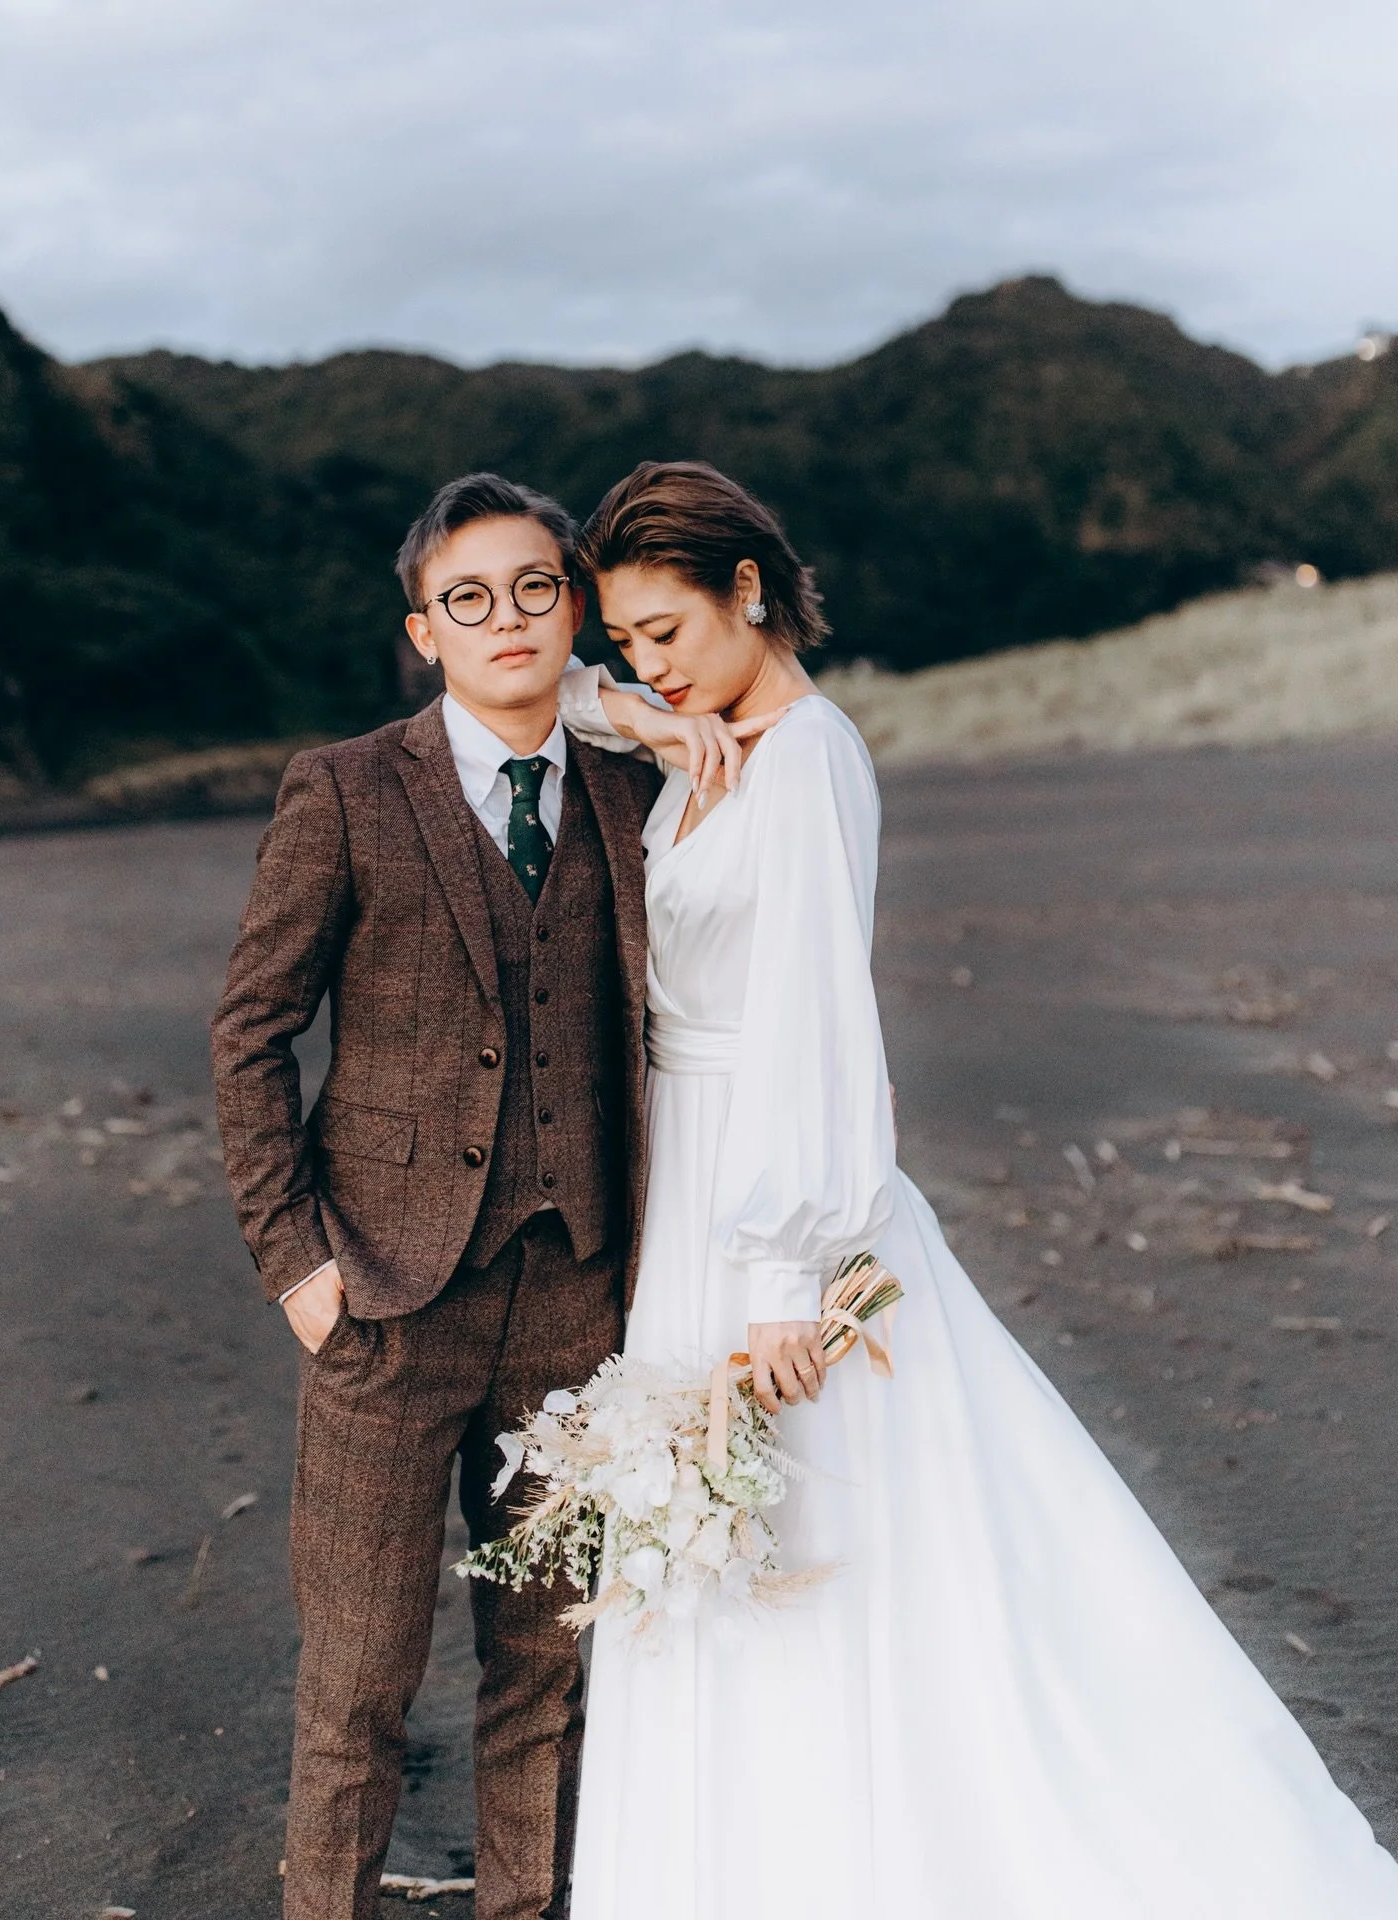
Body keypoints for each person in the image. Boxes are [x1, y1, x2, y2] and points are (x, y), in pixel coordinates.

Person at [548, 460, 1398, 1919]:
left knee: (810, 1529)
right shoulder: (697, 727)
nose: (647, 662)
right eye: (627, 637)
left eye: (666, 632)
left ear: (749, 591)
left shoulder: (808, 756)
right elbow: (556, 687)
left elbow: (821, 1018)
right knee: (734, 1541)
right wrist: (631, 710)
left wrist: (779, 1281)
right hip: (692, 1174)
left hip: (766, 1192)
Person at [209, 472, 752, 1920]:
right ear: (422, 631)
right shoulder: (344, 789)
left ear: (572, 610)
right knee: (357, 1692)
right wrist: (295, 1265)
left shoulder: (636, 788)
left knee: (545, 1678)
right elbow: (252, 1030)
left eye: (533, 588)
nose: (503, 617)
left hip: (578, 1306)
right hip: (383, 1305)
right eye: (469, 598)